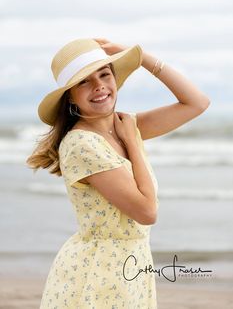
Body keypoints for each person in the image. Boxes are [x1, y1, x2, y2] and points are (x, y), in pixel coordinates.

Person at [26, 37, 210, 308]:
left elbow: (197, 103)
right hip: (99, 271)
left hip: (131, 266)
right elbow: (147, 212)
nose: (99, 86)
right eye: (84, 81)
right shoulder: (81, 145)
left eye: (104, 74)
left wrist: (141, 57)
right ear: (70, 97)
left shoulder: (124, 125)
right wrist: (134, 143)